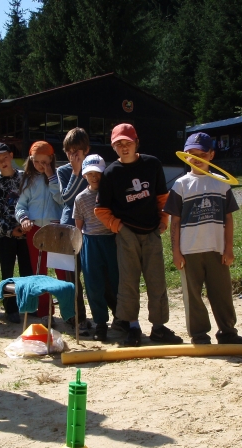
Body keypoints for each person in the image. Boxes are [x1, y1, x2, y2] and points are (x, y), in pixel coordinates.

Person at [95, 123, 182, 347]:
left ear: (137, 143)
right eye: (119, 144)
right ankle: (132, 327)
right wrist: (119, 227)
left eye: (128, 143)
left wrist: (163, 220)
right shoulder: (111, 173)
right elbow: (101, 210)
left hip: (151, 230)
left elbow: (162, 197)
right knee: (128, 283)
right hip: (126, 234)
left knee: (157, 281)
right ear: (113, 147)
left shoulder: (152, 164)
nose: (124, 147)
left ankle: (159, 328)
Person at [164, 133, 242, 345]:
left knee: (222, 293)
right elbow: (175, 220)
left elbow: (228, 217)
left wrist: (229, 248)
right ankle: (199, 334)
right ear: (185, 155)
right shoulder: (181, 185)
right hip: (189, 250)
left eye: (202, 154)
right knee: (193, 295)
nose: (196, 158)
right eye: (192, 154)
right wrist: (176, 251)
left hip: (216, 249)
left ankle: (228, 333)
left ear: (211, 155)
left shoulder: (221, 184)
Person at [15, 141, 64, 319]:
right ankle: (45, 312)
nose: (40, 165)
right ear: (30, 159)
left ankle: (70, 311)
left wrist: (51, 178)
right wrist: (24, 218)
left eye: (44, 162)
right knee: (39, 272)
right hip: (35, 230)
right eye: (36, 161)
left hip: (56, 229)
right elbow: (21, 205)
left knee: (62, 271)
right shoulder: (28, 179)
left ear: (51, 159)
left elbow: (62, 200)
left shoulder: (59, 176)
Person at [73, 155, 119, 342]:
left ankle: (121, 317)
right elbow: (78, 225)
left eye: (97, 173)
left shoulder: (112, 193)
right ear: (84, 175)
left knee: (116, 281)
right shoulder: (80, 198)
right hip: (90, 242)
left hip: (111, 240)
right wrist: (78, 247)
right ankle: (100, 323)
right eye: (90, 174)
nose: (94, 177)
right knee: (93, 284)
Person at [0, 143, 33, 324]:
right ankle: (10, 308)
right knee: (7, 273)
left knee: (27, 270)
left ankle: (29, 305)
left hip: (27, 233)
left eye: (5, 157)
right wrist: (9, 230)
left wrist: (27, 224)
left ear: (11, 156)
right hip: (6, 236)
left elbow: (33, 202)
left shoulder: (25, 178)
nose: (3, 161)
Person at [57, 128, 90, 331]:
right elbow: (67, 198)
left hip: (92, 229)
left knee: (93, 275)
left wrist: (83, 170)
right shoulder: (63, 171)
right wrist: (76, 172)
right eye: (69, 152)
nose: (72, 156)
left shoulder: (94, 167)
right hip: (68, 229)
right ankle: (76, 317)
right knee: (71, 276)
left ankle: (102, 317)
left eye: (76, 151)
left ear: (86, 150)